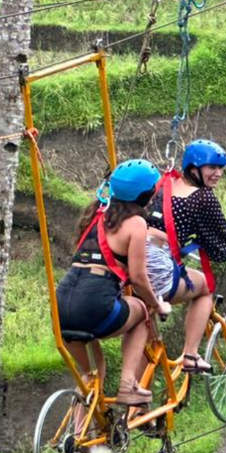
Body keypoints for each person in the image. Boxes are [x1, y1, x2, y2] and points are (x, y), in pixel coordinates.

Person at [57, 159, 173, 404]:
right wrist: (157, 304)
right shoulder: (136, 223)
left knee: (91, 377)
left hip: (62, 304)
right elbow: (139, 278)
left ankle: (79, 435)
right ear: (147, 194)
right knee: (142, 312)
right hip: (94, 303)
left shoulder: (96, 214)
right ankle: (128, 385)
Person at [146, 138, 226, 373]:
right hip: (157, 264)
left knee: (144, 332)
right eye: (212, 168)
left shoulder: (166, 183)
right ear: (194, 169)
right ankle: (191, 355)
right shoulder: (201, 197)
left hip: (134, 261)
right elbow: (223, 231)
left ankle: (132, 398)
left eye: (220, 168)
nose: (218, 173)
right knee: (205, 287)